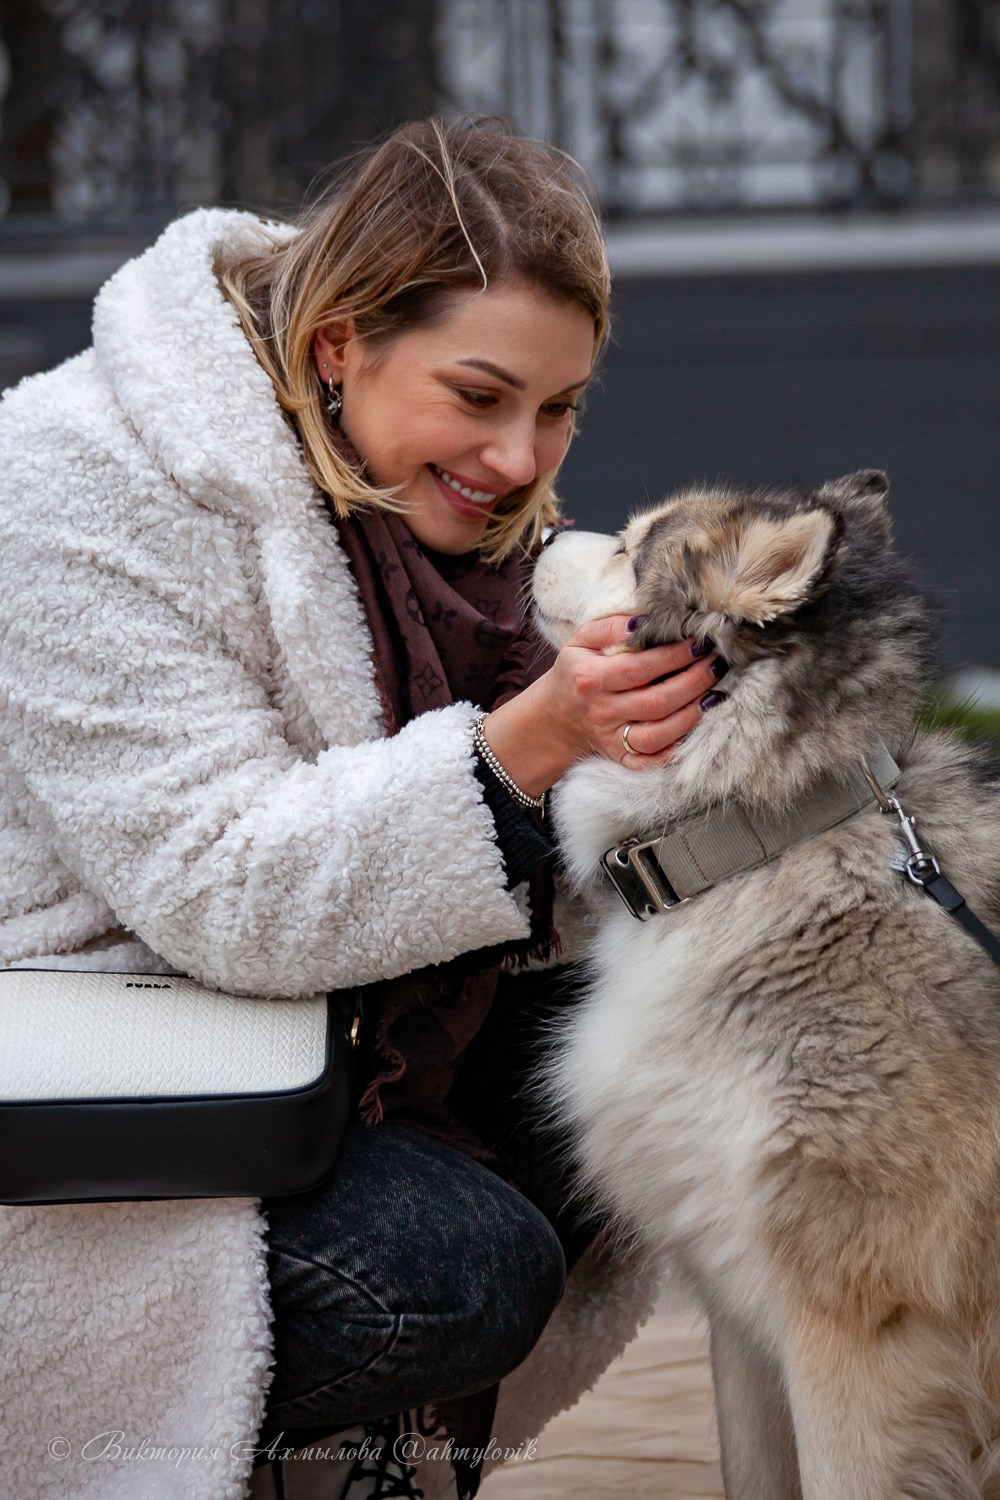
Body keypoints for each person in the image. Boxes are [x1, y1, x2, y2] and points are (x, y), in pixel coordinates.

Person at [0, 117, 726, 1500]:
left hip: (316, 1040)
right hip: (94, 1099)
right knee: (458, 1270)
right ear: (339, 342)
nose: (521, 458)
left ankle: (327, 1464)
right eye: (482, 394)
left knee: (643, 1068)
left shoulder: (431, 495)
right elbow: (226, 889)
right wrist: (527, 744)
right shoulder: (65, 482)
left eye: (560, 407)